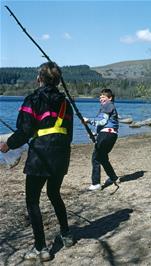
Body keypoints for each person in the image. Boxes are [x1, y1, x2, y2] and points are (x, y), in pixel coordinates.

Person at [0, 62, 74, 261]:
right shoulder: (66, 103)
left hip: (41, 156)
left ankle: (41, 248)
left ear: (39, 78)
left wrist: (8, 145)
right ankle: (66, 234)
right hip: (61, 155)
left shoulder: (32, 99)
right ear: (58, 81)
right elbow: (69, 135)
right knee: (54, 193)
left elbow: (24, 131)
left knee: (32, 200)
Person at [84, 88, 119, 191]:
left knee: (96, 158)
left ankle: (96, 184)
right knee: (102, 158)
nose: (101, 99)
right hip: (110, 135)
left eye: (103, 97)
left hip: (107, 135)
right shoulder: (108, 106)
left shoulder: (108, 105)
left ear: (110, 98)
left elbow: (103, 121)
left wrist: (89, 121)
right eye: (100, 97)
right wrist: (95, 134)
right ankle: (113, 177)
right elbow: (106, 124)